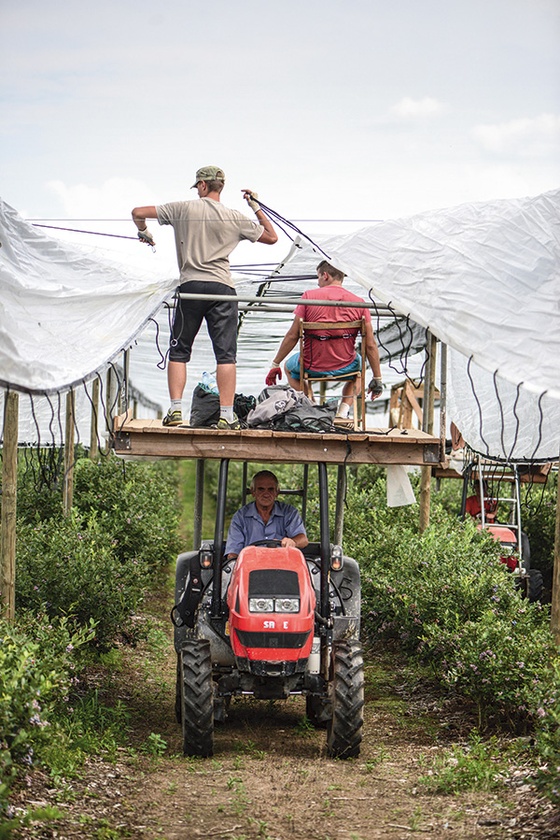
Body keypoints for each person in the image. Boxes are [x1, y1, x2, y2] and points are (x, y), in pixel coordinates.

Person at [131, 166, 278, 429]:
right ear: (220, 186)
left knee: (179, 350)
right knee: (226, 356)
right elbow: (272, 237)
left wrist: (144, 232)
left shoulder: (182, 209)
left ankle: (175, 411)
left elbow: (137, 213)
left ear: (201, 185)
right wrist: (255, 206)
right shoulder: (234, 217)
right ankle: (226, 415)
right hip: (223, 289)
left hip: (191, 287)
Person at [265, 260, 384, 424]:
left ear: (325, 275)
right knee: (360, 370)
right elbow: (370, 345)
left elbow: (293, 335)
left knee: (288, 366)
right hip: (345, 365)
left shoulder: (309, 297)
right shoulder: (359, 303)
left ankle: (311, 406)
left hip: (310, 365)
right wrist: (377, 379)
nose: (318, 282)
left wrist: (275, 364)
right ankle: (343, 411)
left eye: (318, 277)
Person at [225, 470, 308, 560]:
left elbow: (303, 540)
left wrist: (292, 542)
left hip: (282, 566)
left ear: (277, 492)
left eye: (270, 489)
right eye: (261, 489)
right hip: (250, 566)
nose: (266, 494)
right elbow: (233, 552)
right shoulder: (240, 517)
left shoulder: (289, 512)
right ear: (253, 492)